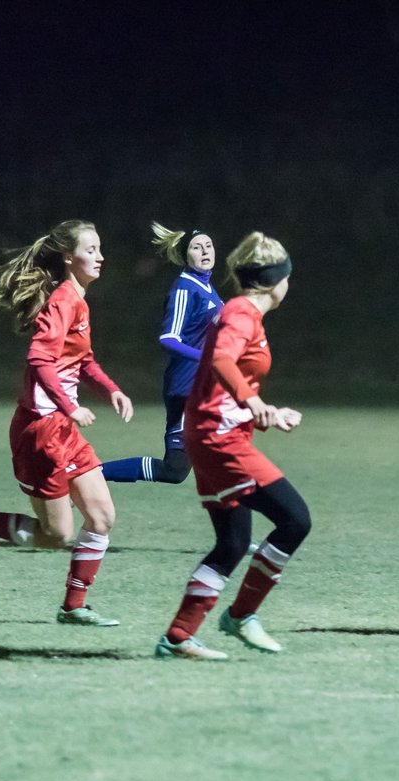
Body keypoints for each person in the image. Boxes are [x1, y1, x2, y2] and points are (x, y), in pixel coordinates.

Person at [0, 219, 135, 627]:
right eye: (90, 249)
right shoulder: (63, 300)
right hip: (41, 431)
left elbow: (83, 359)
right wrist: (69, 406)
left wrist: (111, 389)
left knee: (101, 518)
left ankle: (73, 609)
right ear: (67, 257)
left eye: (100, 248)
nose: (100, 256)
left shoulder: (78, 299)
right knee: (56, 536)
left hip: (63, 428)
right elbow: (39, 359)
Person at [155, 231, 311, 661]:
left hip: (215, 432)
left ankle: (178, 637)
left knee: (232, 544)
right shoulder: (242, 313)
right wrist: (254, 400)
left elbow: (221, 379)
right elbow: (222, 358)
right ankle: (241, 615)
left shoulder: (243, 314)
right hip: (217, 438)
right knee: (295, 520)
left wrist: (269, 412)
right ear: (275, 280)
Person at [102, 222, 220, 485]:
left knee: (221, 455)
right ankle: (92, 475)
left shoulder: (208, 289)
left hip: (204, 388)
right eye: (197, 247)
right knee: (175, 469)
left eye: (209, 245)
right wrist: (208, 359)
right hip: (186, 388)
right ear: (184, 255)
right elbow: (169, 338)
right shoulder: (185, 288)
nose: (205, 251)